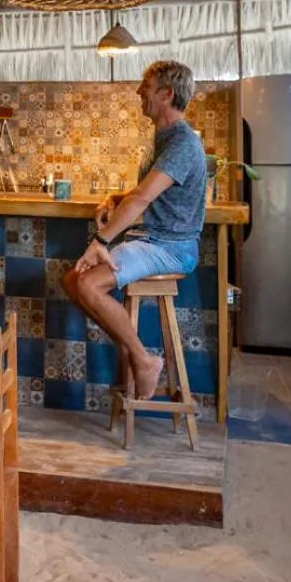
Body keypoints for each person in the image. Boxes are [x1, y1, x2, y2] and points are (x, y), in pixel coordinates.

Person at [62, 61, 208, 400]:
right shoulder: (164, 139)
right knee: (72, 282)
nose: (138, 91)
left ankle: (143, 360)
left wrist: (100, 241)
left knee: (87, 283)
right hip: (151, 240)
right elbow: (147, 192)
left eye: (146, 85)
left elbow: (143, 197)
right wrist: (114, 198)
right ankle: (133, 348)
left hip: (170, 247)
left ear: (166, 93)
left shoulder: (182, 143)